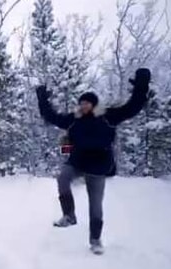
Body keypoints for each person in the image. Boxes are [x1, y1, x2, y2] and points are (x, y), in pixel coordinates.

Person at [36, 68, 151, 255]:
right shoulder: (74, 119)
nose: (83, 105)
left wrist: (141, 85)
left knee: (95, 206)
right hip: (78, 162)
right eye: (81, 103)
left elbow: (132, 108)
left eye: (87, 103)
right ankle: (69, 215)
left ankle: (95, 240)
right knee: (62, 178)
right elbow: (51, 117)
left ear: (94, 104)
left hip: (98, 167)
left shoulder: (108, 116)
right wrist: (42, 98)